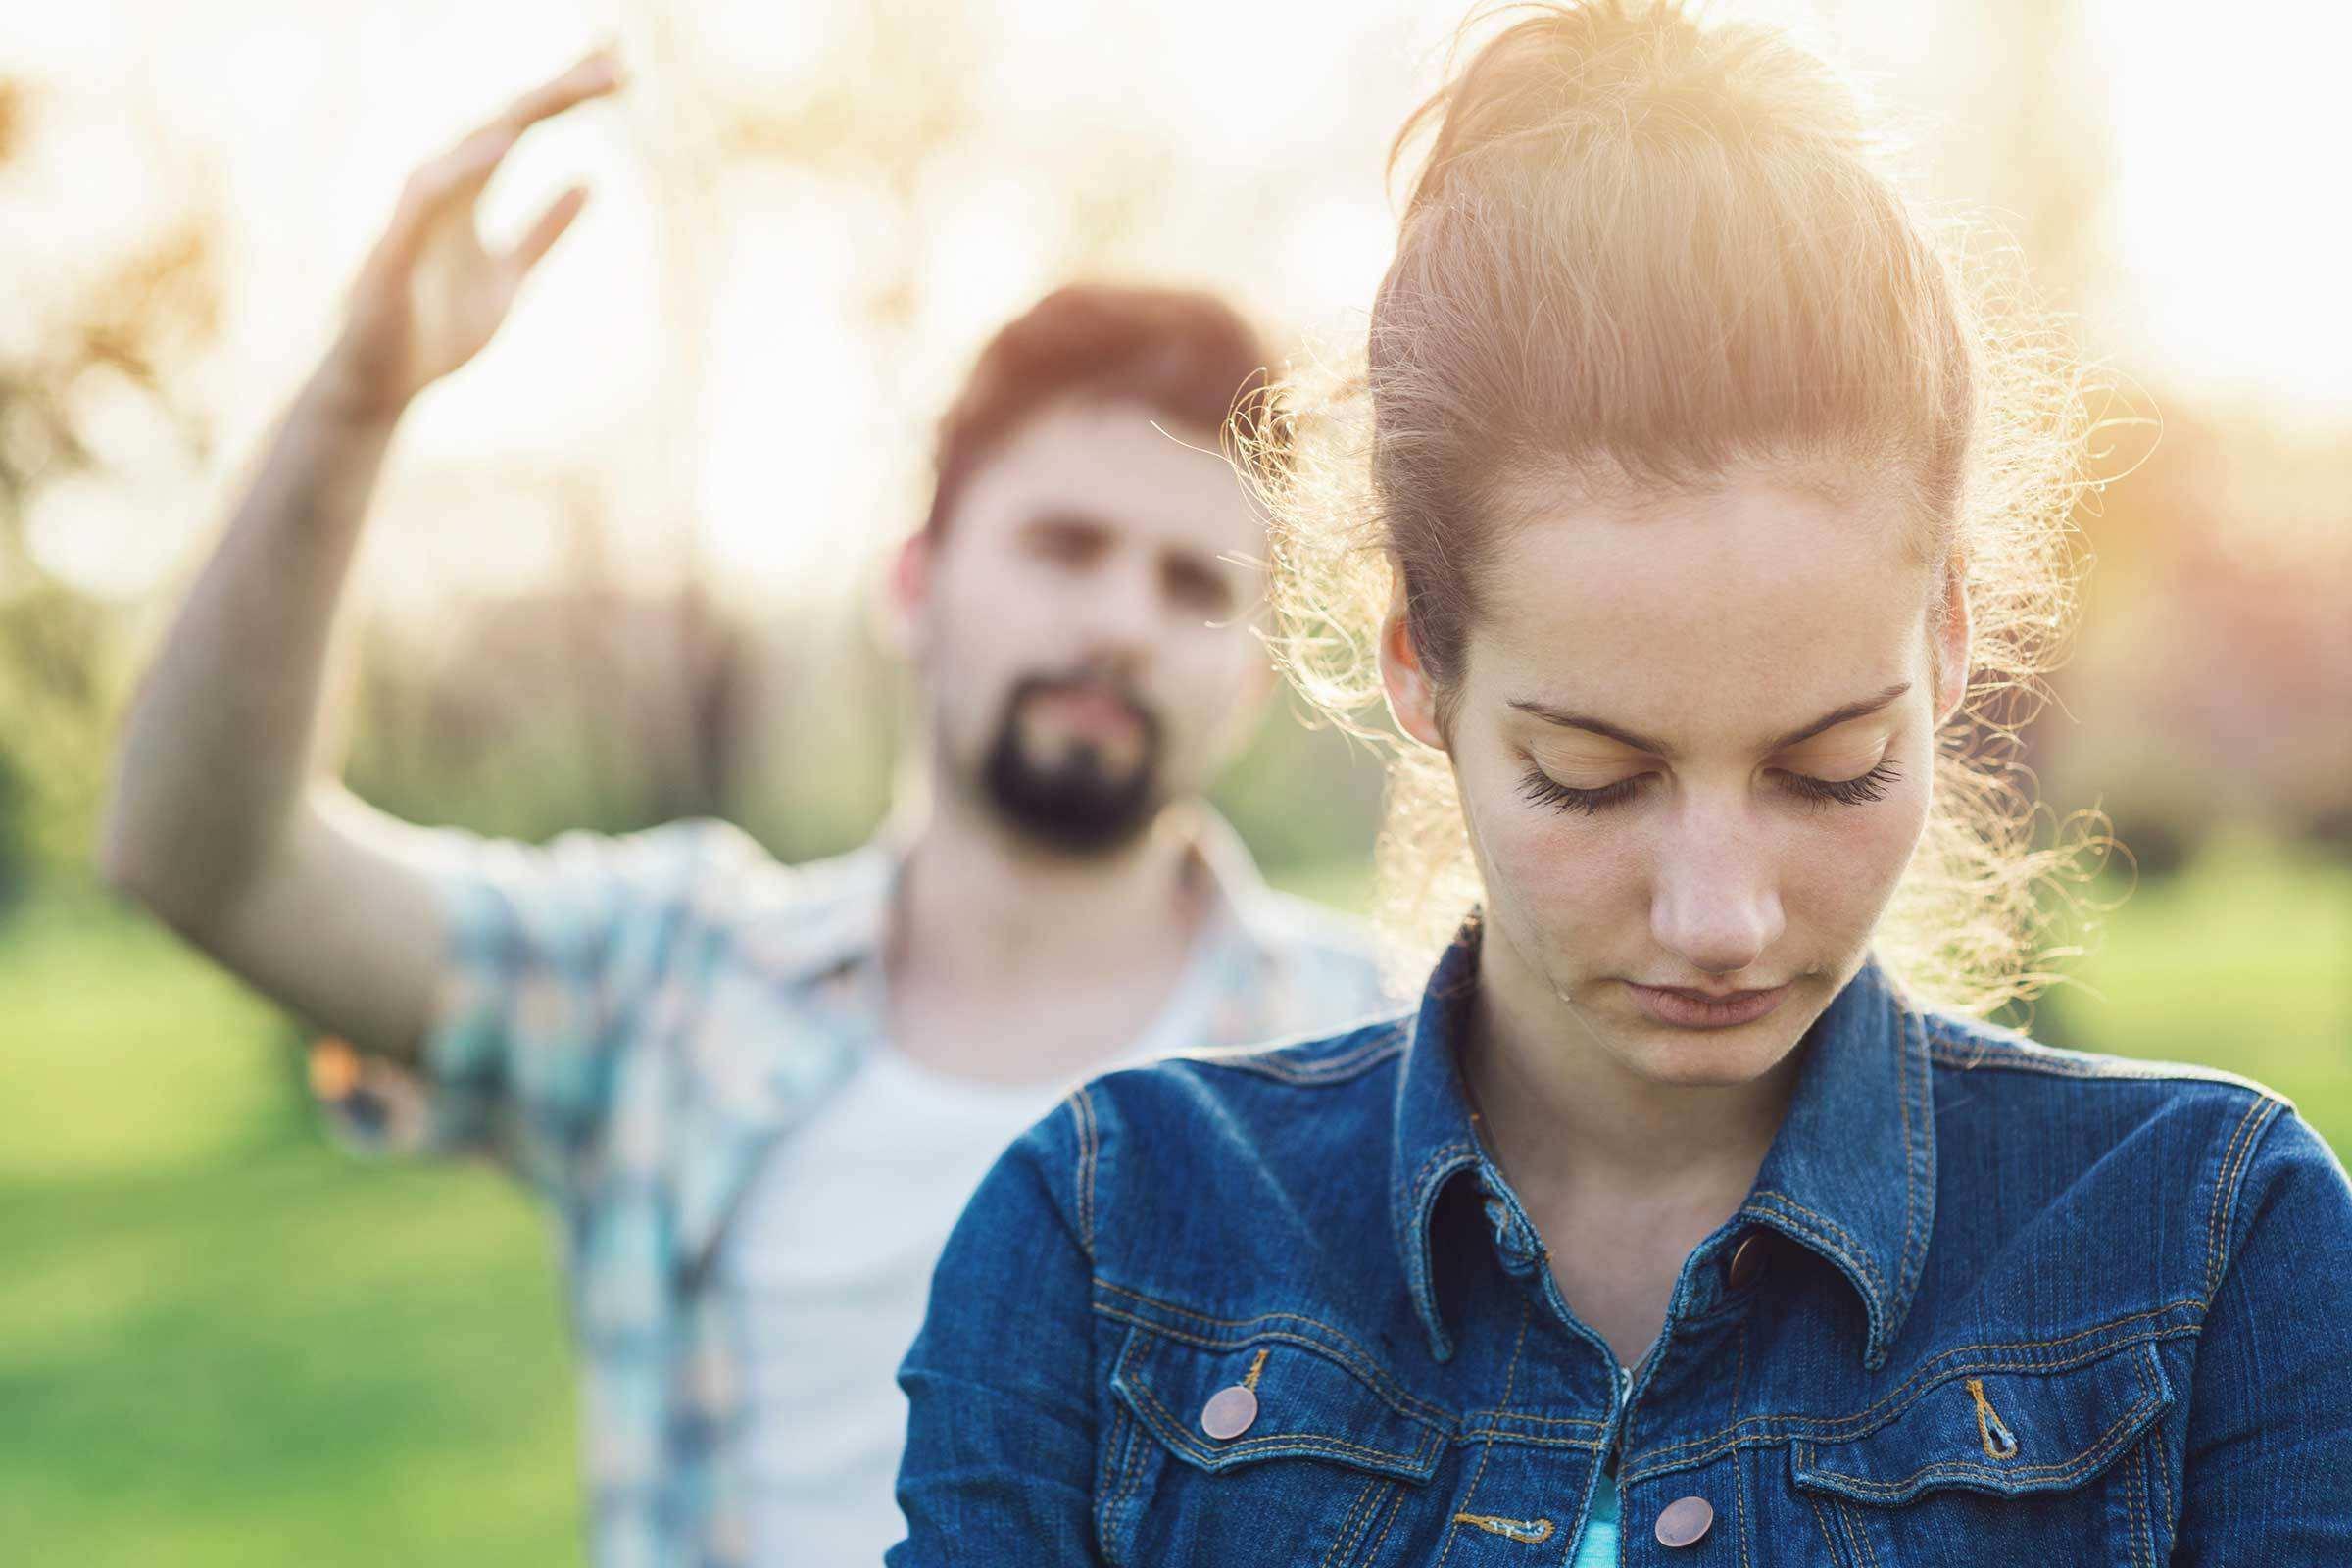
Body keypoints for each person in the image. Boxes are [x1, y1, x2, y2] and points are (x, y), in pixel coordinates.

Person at [891, 3, 2352, 1562]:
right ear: (1415, 664)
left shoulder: (2214, 1248)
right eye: (1591, 777)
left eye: (1830, 768)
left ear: (1949, 643)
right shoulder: (1106, 1241)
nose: (1721, 915)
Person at [95, 51, 1392, 1568]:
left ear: (1249, 678)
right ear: (912, 582)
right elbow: (208, 861)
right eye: (1063, 543)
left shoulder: (1376, 1063)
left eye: (1191, 584)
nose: (1117, 618)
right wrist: (353, 401)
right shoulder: (667, 983)